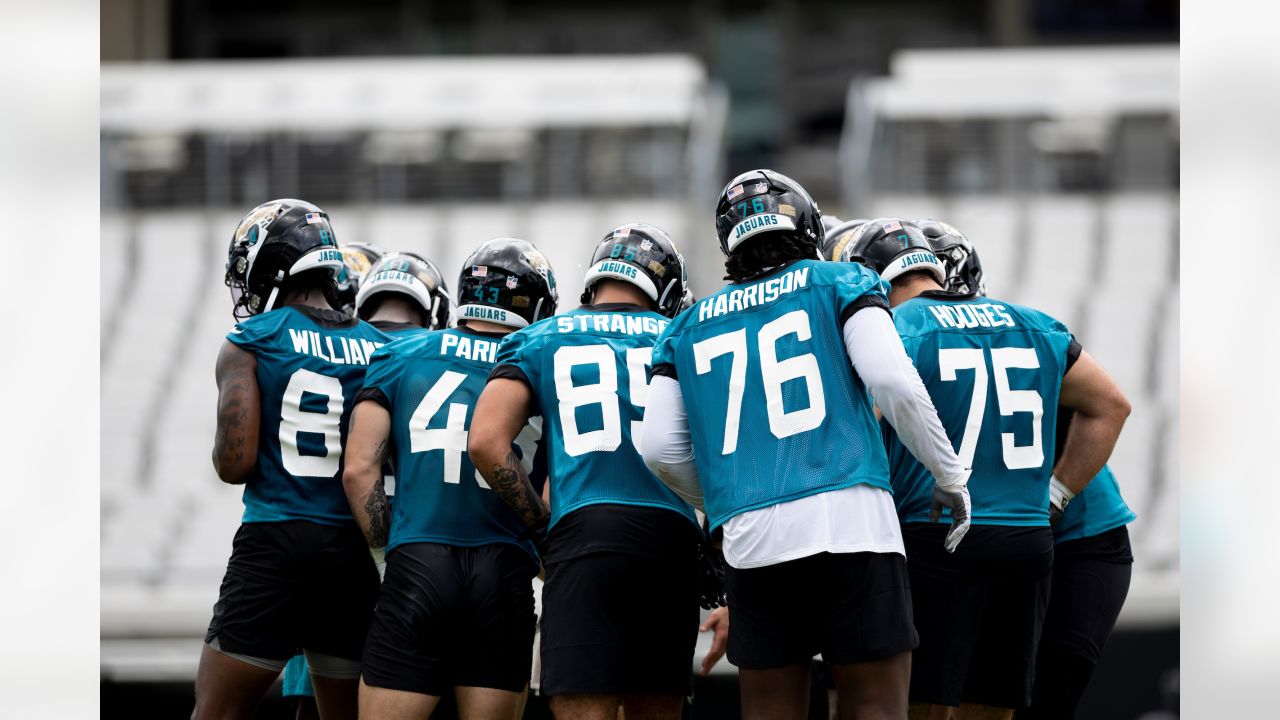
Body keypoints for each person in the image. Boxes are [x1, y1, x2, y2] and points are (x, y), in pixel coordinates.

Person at [639, 170, 972, 720]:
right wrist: (948, 474)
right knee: (875, 706)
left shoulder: (685, 326)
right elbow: (892, 382)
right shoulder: (841, 282)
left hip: (753, 536)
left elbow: (659, 449)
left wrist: (729, 499)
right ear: (808, 222)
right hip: (853, 518)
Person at [841, 217, 1131, 720]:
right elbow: (1112, 404)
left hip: (939, 535)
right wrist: (1056, 496)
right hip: (1028, 539)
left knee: (917, 703)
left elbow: (856, 432)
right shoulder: (1033, 322)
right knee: (997, 704)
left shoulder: (897, 332)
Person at [469, 224, 703, 720]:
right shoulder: (684, 334)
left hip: (584, 532)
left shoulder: (541, 337)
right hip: (672, 535)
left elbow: (486, 440)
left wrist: (540, 527)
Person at [194, 199, 392, 720]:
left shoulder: (251, 341)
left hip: (274, 545)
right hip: (351, 551)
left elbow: (233, 464)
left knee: (216, 712)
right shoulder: (379, 348)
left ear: (274, 263)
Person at [341, 238, 553, 720]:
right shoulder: (536, 363)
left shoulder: (403, 352)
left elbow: (358, 469)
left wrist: (383, 551)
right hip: (504, 568)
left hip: (419, 560)